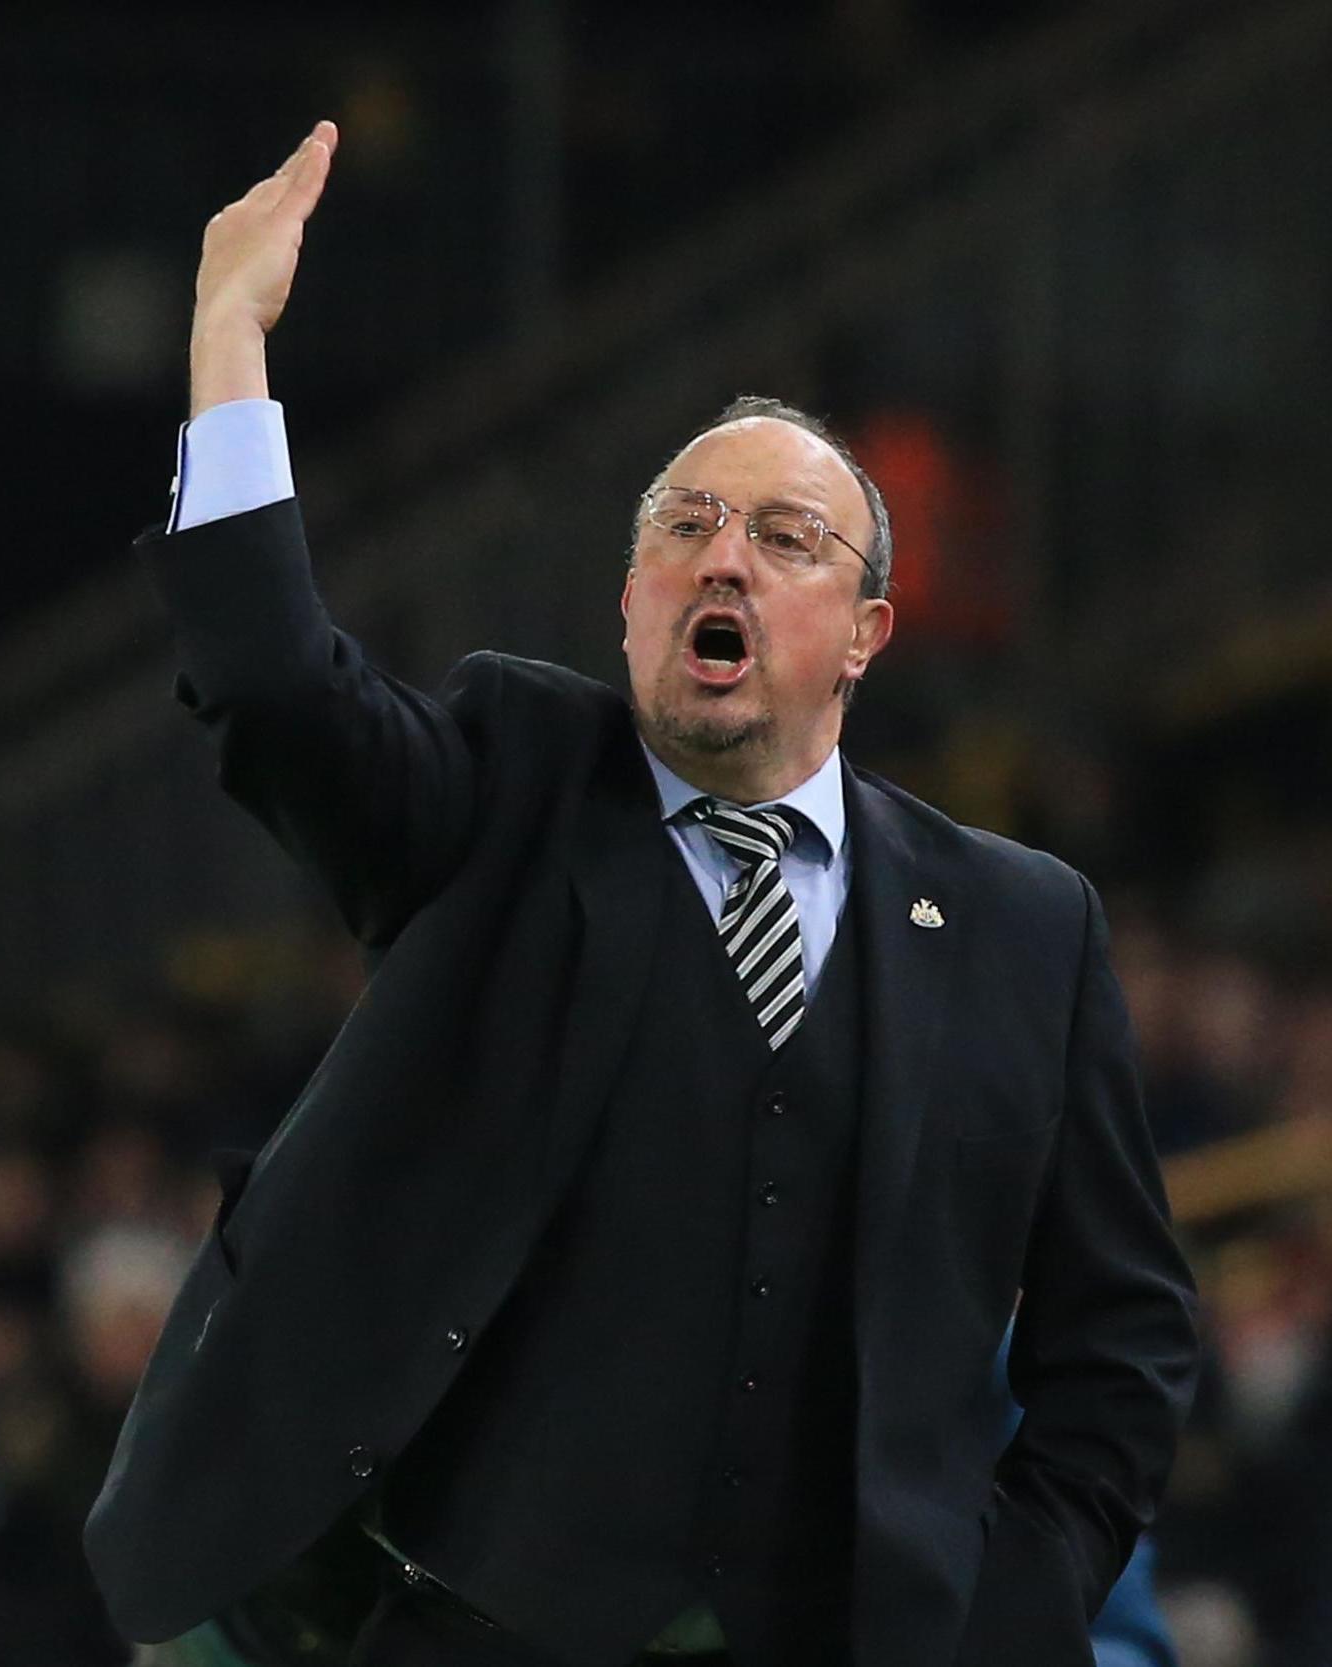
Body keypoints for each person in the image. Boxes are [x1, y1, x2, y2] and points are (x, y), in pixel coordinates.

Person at [85, 119, 1198, 1667]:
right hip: (435, 1618)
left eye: (783, 537)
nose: (722, 556)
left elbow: (1122, 1334)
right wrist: (228, 342)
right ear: (628, 604)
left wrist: (1009, 1598)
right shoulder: (508, 778)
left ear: (866, 632)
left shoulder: (1023, 924)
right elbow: (272, 691)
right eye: (684, 528)